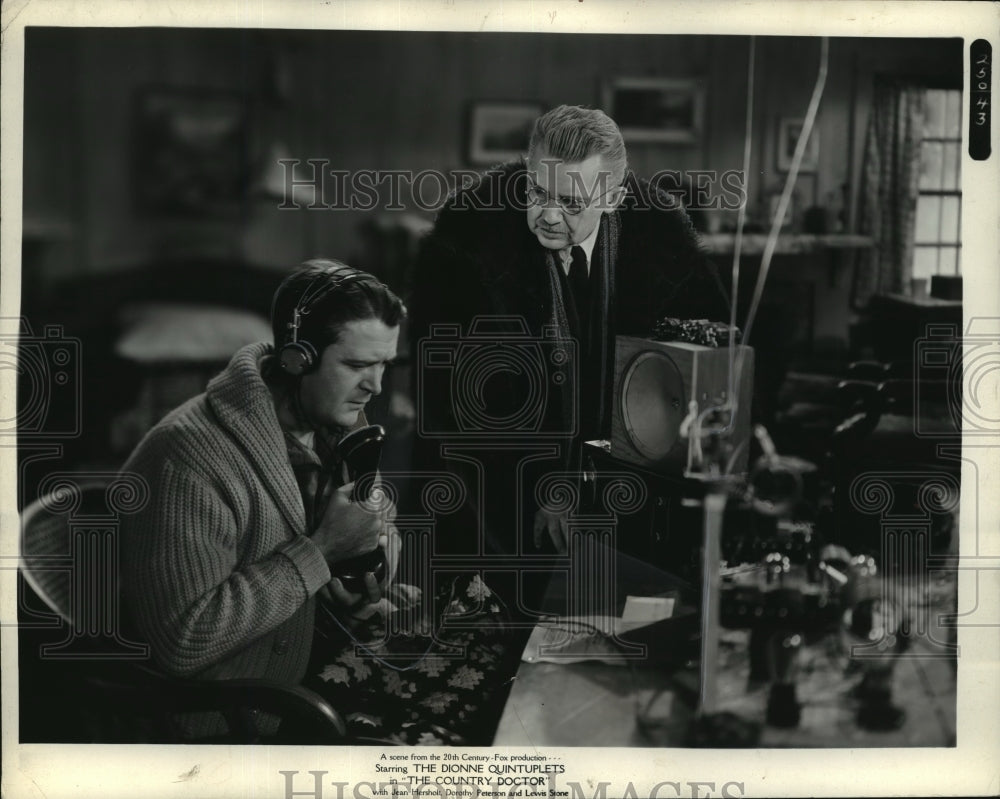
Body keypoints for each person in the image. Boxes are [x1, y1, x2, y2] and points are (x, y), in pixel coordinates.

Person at [119, 260, 512, 744]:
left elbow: (373, 518)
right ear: (297, 359)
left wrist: (368, 581)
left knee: (497, 640)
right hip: (258, 710)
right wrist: (320, 551)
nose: (377, 386)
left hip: (322, 652)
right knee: (467, 733)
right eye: (356, 365)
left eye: (384, 364)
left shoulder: (336, 415)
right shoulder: (187, 457)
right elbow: (184, 641)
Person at [409, 105, 730, 560]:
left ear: (613, 200)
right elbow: (454, 400)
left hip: (636, 472)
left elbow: (699, 367)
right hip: (496, 481)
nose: (549, 216)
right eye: (538, 192)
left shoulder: (663, 239)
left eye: (573, 203)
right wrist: (544, 484)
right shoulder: (466, 243)